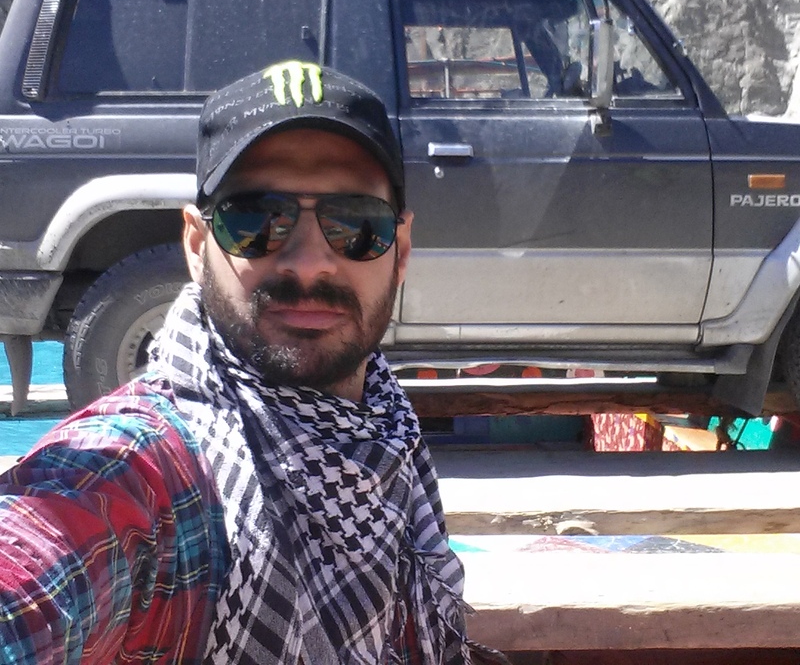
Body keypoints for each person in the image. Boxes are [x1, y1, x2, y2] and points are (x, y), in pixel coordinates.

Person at [0, 61, 506, 665]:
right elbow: (41, 562)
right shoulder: (142, 474)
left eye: (355, 224)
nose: (310, 262)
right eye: (257, 220)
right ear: (195, 244)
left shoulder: (385, 430)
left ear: (400, 251)